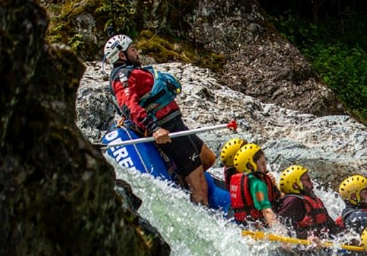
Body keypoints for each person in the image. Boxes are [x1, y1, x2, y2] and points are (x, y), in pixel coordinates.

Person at [104, 34, 216, 206]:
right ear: (121, 55)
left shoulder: (134, 71)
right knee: (200, 188)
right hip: (167, 129)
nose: (137, 52)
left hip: (176, 125)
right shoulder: (122, 76)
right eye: (133, 49)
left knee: (208, 159)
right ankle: (202, 211)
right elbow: (129, 105)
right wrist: (154, 128)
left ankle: (181, 177)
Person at [276, 165, 341, 240]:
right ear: (296, 185)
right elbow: (283, 229)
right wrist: (307, 237)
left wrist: (346, 236)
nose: (312, 184)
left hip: (320, 245)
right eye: (308, 180)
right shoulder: (293, 202)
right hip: (300, 248)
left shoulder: (315, 201)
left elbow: (332, 227)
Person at [227, 143, 281, 227]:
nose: (265, 168)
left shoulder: (240, 180)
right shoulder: (258, 184)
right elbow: (267, 211)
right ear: (250, 165)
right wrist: (280, 232)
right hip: (257, 228)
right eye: (262, 164)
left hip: (241, 226)